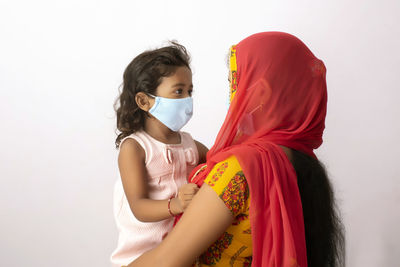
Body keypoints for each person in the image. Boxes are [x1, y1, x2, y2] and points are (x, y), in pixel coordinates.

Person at [128, 32, 345, 267]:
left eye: (236, 82)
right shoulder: (305, 164)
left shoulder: (240, 168)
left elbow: (165, 261)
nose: (233, 95)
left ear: (260, 92)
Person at [111, 43, 208, 266]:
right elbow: (139, 207)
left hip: (181, 253)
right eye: (178, 91)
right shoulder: (135, 148)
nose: (187, 99)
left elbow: (220, 159)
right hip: (140, 257)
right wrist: (175, 205)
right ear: (145, 101)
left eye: (189, 91)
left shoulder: (189, 144)